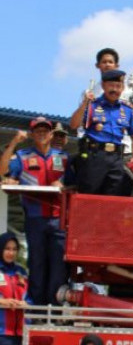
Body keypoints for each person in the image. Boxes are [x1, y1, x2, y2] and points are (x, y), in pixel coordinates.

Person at [0, 118, 71, 305]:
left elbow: (75, 185)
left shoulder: (63, 157)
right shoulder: (23, 156)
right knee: (37, 263)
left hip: (59, 219)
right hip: (35, 218)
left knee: (58, 265)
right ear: (31, 135)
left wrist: (64, 185)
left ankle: (54, 309)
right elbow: (3, 170)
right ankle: (37, 308)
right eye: (37, 131)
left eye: (45, 131)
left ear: (50, 134)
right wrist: (14, 142)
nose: (41, 134)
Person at [70, 69, 133, 195]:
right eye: (111, 85)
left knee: (113, 197)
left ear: (122, 88)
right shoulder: (92, 105)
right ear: (103, 86)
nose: (114, 89)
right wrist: (84, 104)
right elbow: (74, 124)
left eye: (118, 86)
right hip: (94, 156)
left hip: (117, 158)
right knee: (89, 195)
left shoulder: (126, 110)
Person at [68, 47, 133, 156]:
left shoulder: (129, 90)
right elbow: (81, 123)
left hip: (126, 147)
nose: (107, 65)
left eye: (110, 62)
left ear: (117, 65)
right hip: (97, 147)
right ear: (97, 65)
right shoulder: (90, 92)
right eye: (104, 62)